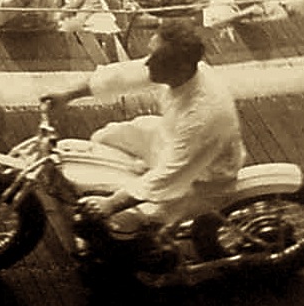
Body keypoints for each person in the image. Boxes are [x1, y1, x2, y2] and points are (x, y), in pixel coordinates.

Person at [41, 20, 246, 266]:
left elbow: (170, 175)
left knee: (126, 221)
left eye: (153, 59)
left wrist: (111, 203)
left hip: (202, 176)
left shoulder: (205, 115)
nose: (147, 63)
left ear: (180, 67)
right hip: (169, 137)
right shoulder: (175, 67)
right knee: (105, 138)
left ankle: (140, 259)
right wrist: (68, 95)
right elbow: (121, 75)